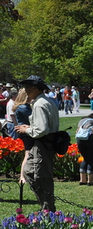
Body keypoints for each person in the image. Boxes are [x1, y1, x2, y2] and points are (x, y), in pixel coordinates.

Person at [15, 76, 59, 211]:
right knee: (30, 171)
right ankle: (46, 207)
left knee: (40, 176)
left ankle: (47, 209)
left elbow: (41, 129)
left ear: (35, 88)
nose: (25, 90)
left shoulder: (39, 104)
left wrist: (26, 129)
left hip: (43, 145)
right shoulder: (46, 101)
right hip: (46, 143)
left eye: (27, 88)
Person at [12, 89, 33, 183]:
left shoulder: (24, 106)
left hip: (26, 131)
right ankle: (22, 177)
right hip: (26, 132)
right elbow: (32, 119)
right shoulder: (23, 107)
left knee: (29, 154)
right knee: (27, 154)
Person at [76, 113, 93, 186]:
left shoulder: (82, 120)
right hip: (90, 139)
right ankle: (90, 181)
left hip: (79, 139)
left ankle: (82, 180)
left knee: (85, 158)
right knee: (91, 159)